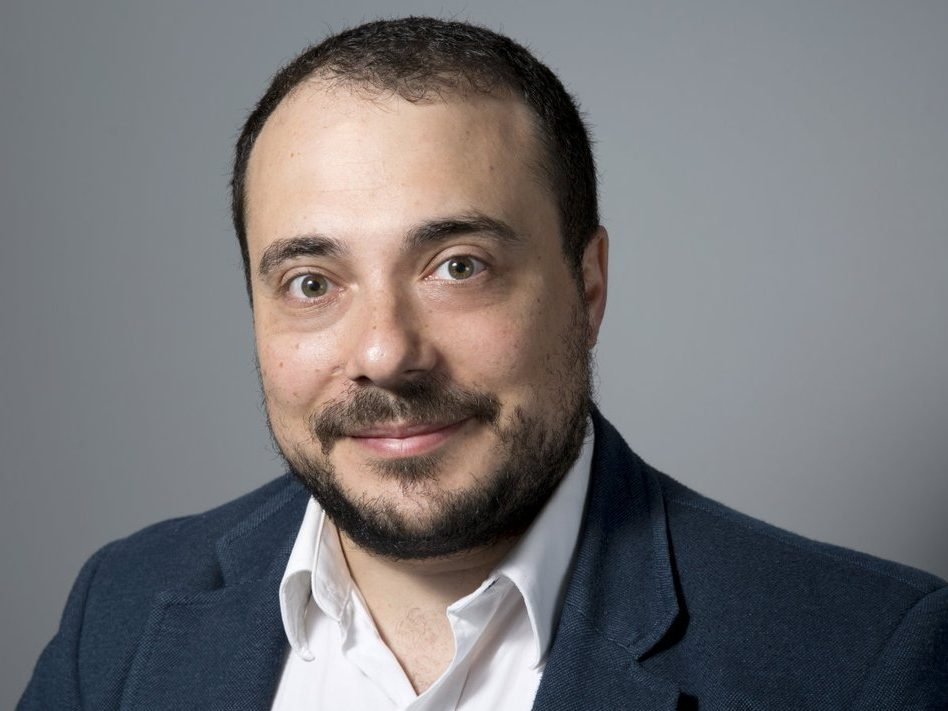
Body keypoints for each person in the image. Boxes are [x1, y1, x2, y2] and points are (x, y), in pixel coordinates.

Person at [19, 16, 947, 711]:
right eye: (311, 282)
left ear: (588, 286)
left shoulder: (863, 662)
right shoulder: (125, 608)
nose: (385, 352)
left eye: (458, 267)